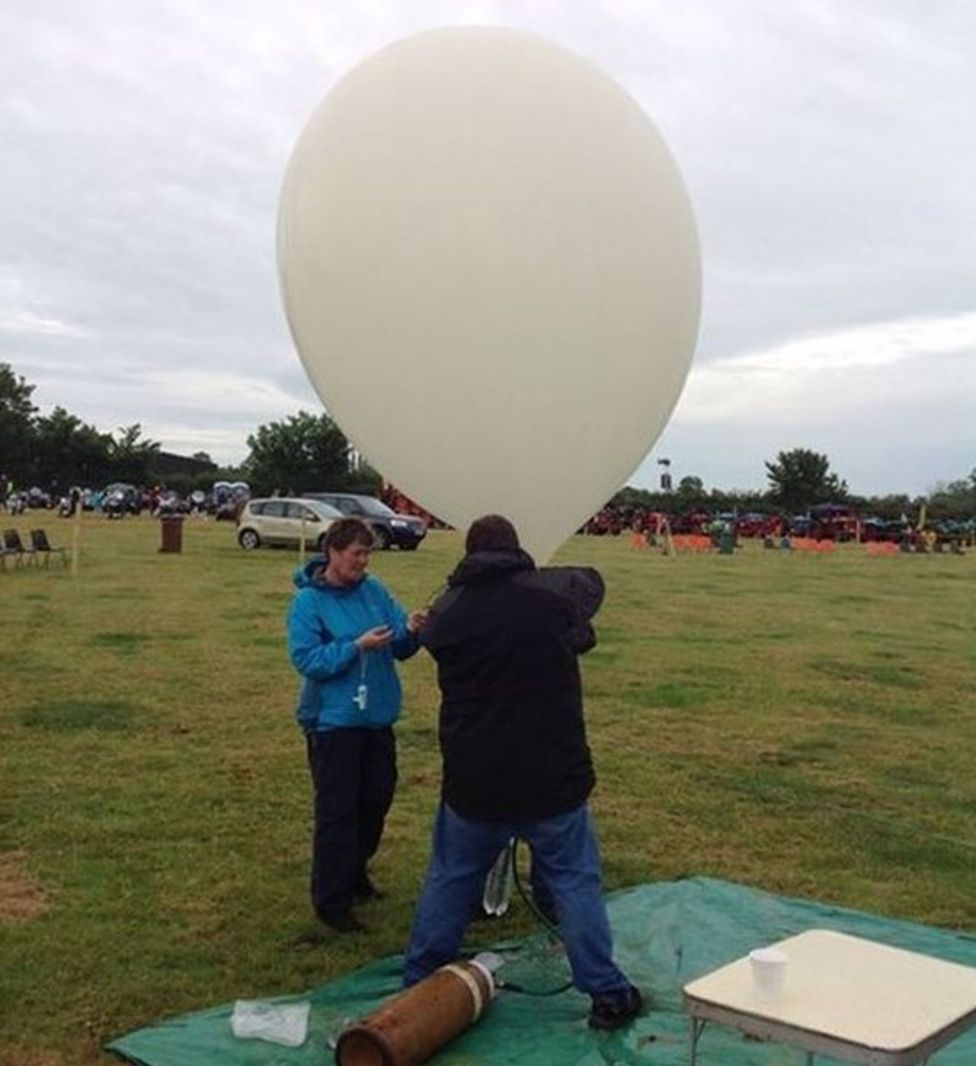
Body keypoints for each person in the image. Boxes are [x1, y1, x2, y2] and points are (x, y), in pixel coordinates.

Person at [403, 514, 642, 1030]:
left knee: (450, 881)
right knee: (576, 883)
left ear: (469, 552)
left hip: (476, 780)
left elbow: (436, 636)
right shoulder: (551, 602)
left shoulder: (446, 615)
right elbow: (590, 591)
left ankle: (420, 983)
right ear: (516, 548)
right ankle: (607, 994)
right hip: (553, 777)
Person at [288, 516, 426, 933]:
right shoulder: (309, 602)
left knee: (375, 802)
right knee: (338, 812)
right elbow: (307, 659)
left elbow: (400, 645)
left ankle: (355, 872)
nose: (363, 562)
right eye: (356, 554)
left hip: (376, 717)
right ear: (332, 552)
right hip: (333, 723)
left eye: (367, 554)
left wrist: (412, 630)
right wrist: (355, 647)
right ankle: (331, 901)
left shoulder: (374, 590)